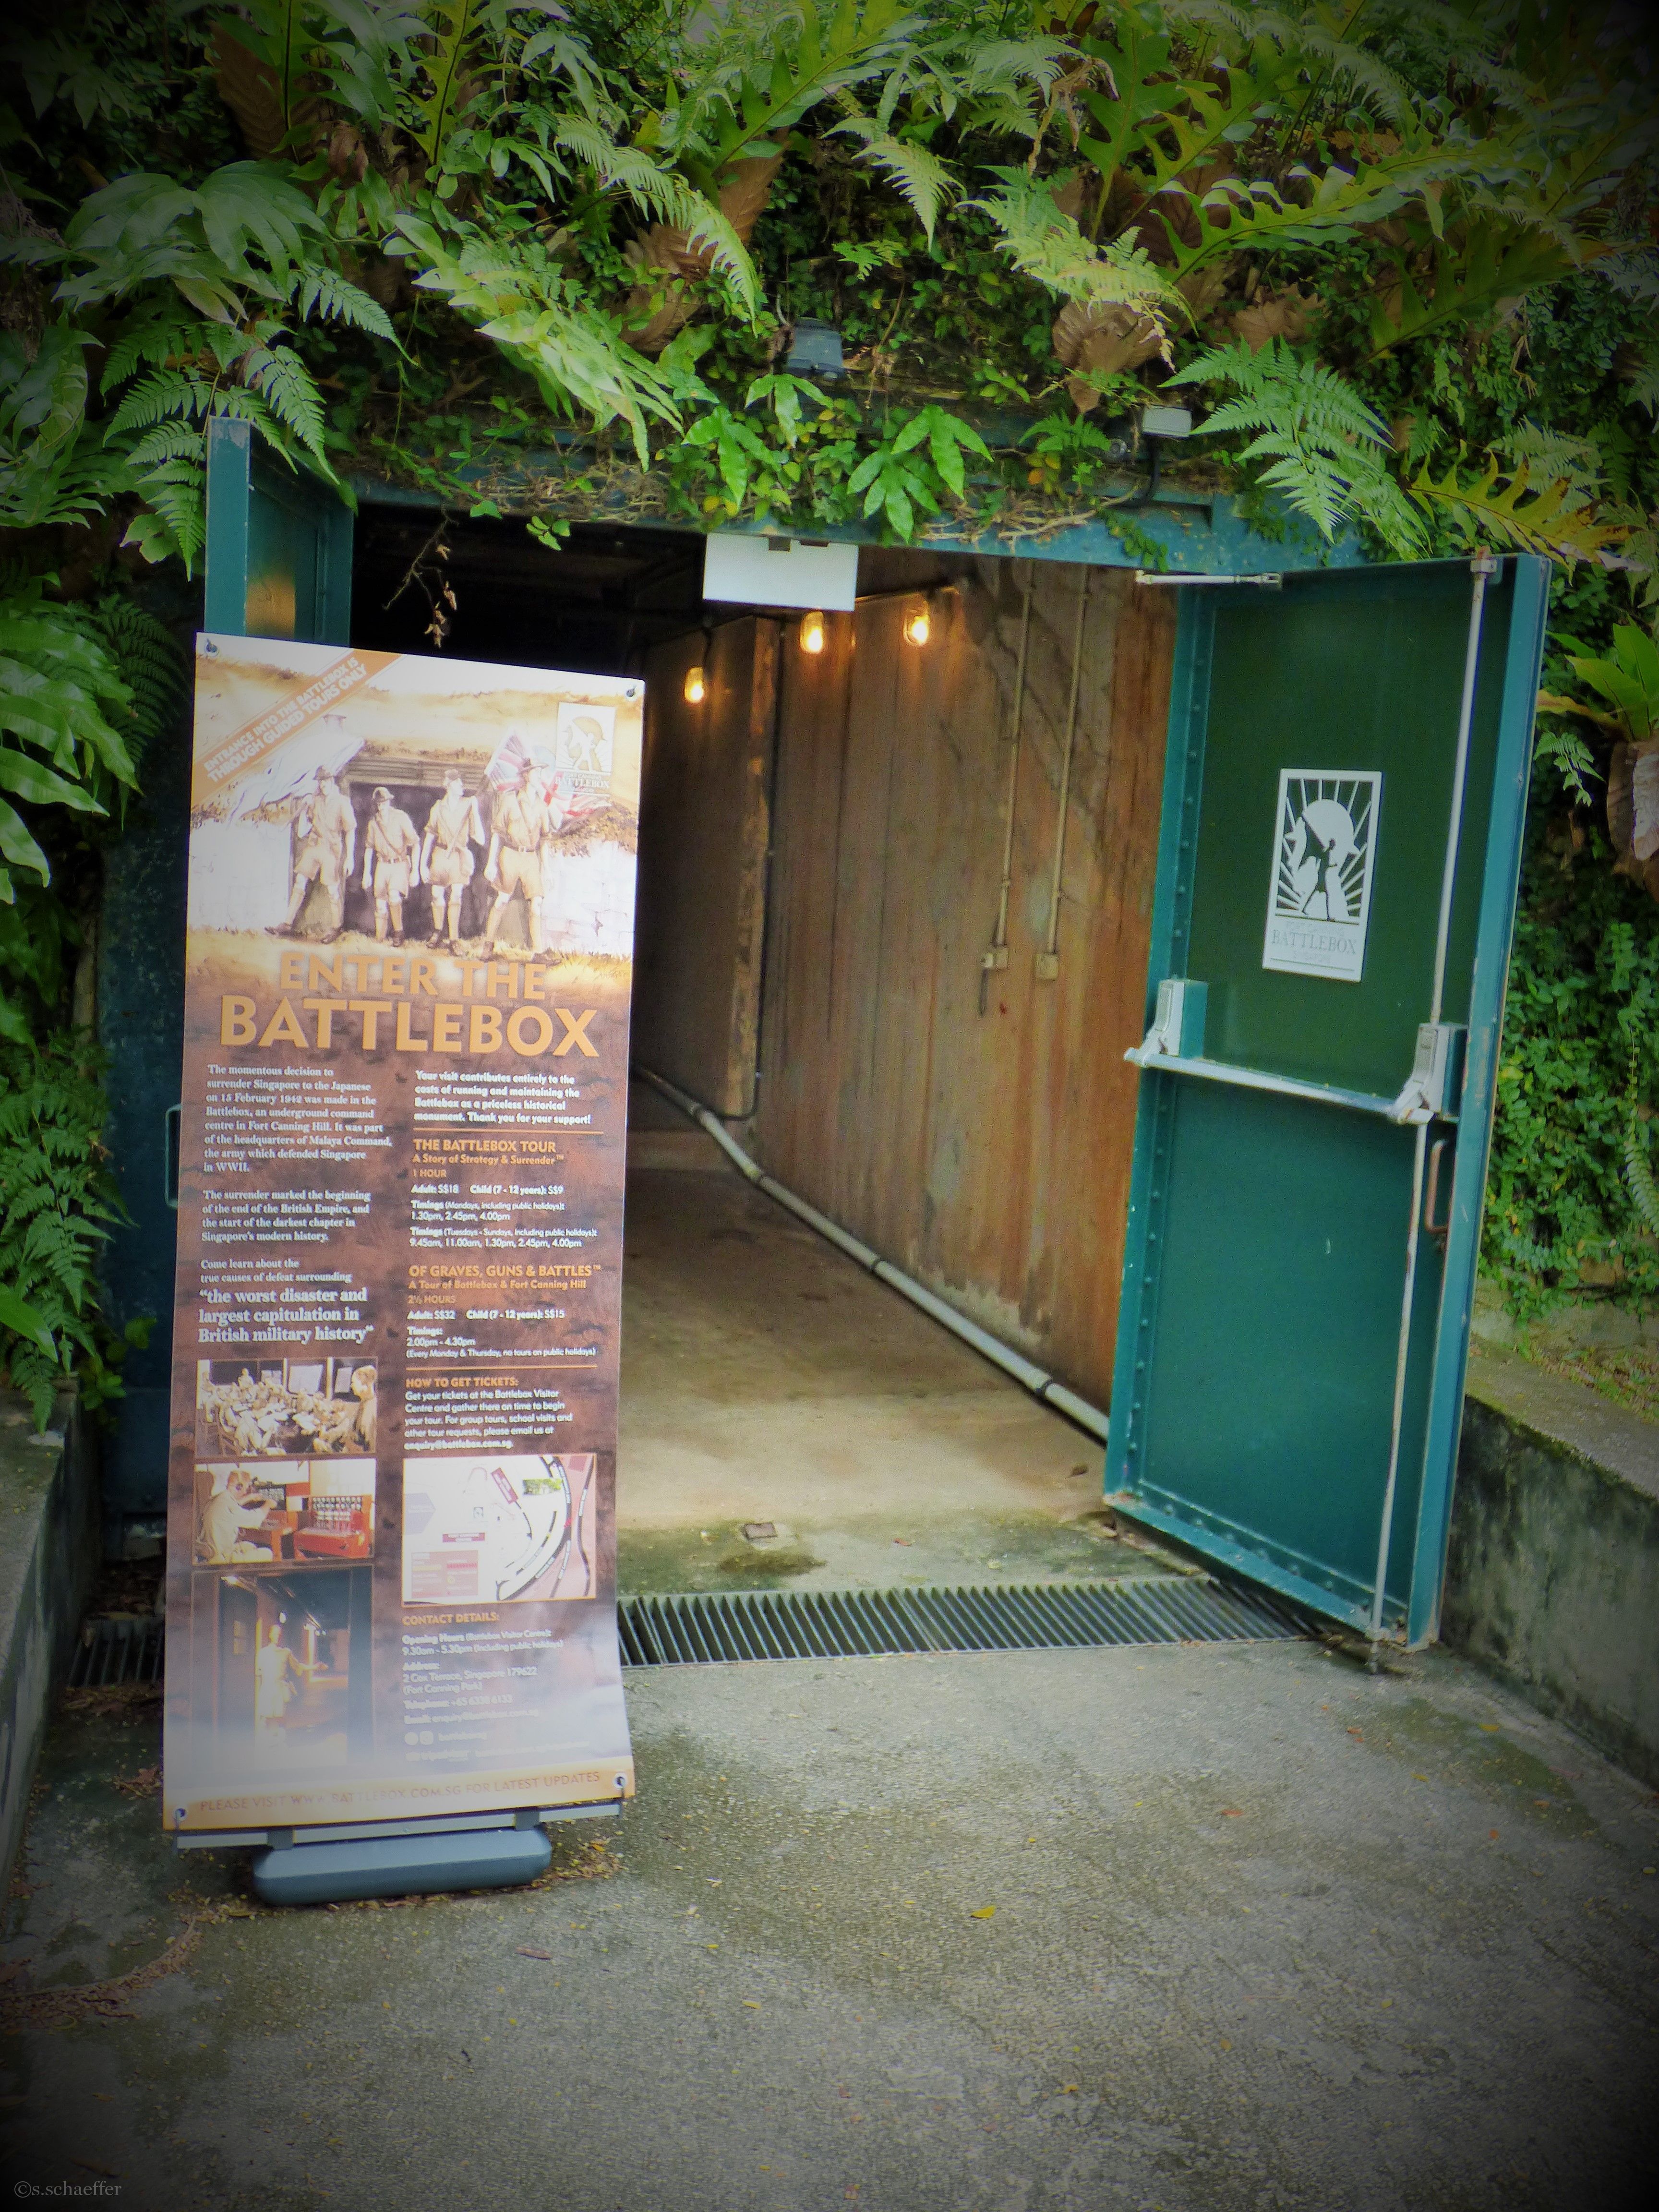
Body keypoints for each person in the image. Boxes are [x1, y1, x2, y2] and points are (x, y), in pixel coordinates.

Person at [268, 765, 356, 941]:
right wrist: (305, 807)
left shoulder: (342, 802)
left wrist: (350, 858)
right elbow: (302, 832)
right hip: (315, 845)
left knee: (332, 889)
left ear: (331, 780)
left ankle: (336, 927)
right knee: (300, 881)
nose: (323, 785)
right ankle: (287, 924)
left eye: (325, 781)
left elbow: (350, 830)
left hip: (331, 849)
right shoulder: (315, 801)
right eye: (320, 782)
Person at [481, 767, 551, 956]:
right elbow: (497, 832)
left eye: (541, 773)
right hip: (511, 855)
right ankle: (488, 944)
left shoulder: (542, 806)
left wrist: (547, 869)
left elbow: (545, 840)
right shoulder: (511, 800)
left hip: (531, 858)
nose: (540, 776)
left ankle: (538, 952)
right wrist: (491, 863)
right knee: (502, 900)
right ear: (526, 776)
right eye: (536, 772)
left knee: (537, 902)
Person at [421, 770, 486, 948]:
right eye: (458, 783)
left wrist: (475, 811)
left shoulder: (468, 804)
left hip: (459, 855)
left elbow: (480, 839)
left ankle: (454, 939)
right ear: (449, 786)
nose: (462, 786)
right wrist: (422, 865)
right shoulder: (438, 807)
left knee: (456, 895)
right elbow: (429, 836)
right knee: (437, 894)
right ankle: (437, 932)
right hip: (441, 854)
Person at [362, 785, 422, 945]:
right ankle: (380, 939)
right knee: (380, 903)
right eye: (379, 804)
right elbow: (369, 848)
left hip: (399, 863)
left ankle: (398, 933)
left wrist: (415, 871)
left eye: (384, 803)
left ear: (389, 802)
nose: (381, 807)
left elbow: (415, 843)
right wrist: (367, 873)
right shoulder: (374, 823)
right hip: (382, 864)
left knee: (394, 895)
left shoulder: (401, 818)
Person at [198, 1466, 273, 1563]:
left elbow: (233, 1507)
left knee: (249, 1546)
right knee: (268, 1553)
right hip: (219, 1557)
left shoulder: (221, 1498)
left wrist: (250, 1497)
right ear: (239, 1487)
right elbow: (253, 1518)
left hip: (215, 1549)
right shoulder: (228, 1504)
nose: (245, 1492)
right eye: (245, 1489)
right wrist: (268, 1505)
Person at [254, 1624, 302, 1737]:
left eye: (280, 1634)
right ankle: (268, 1740)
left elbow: (298, 1666)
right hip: (267, 1689)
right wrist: (258, 1696)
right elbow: (258, 1675)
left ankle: (280, 1739)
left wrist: (315, 1667)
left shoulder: (286, 1652)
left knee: (280, 1717)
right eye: (275, 1634)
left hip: (280, 1689)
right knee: (267, 1717)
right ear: (270, 1635)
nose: (278, 1636)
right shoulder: (263, 1653)